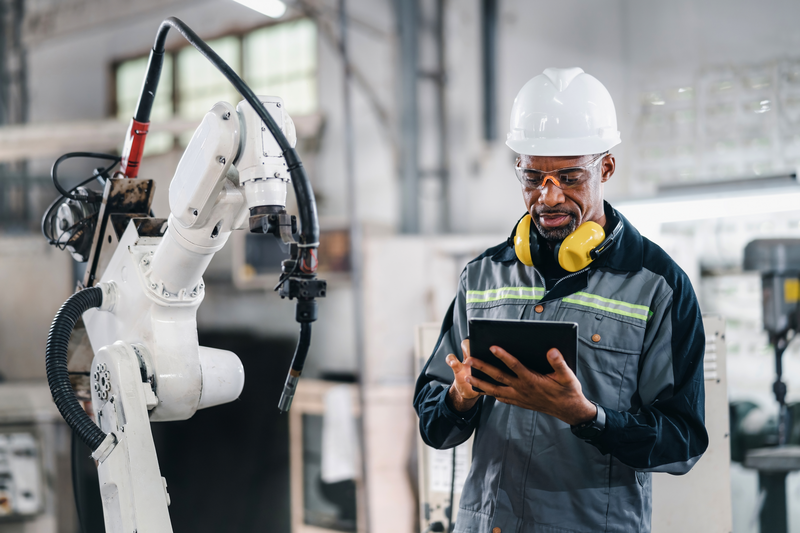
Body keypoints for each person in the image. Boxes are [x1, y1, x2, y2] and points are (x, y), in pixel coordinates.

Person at [413, 67, 708, 533]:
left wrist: (589, 418)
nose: (547, 197)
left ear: (605, 167)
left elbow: (683, 443)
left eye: (569, 176)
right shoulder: (483, 276)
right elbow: (434, 425)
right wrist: (460, 395)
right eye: (533, 177)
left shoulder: (658, 286)